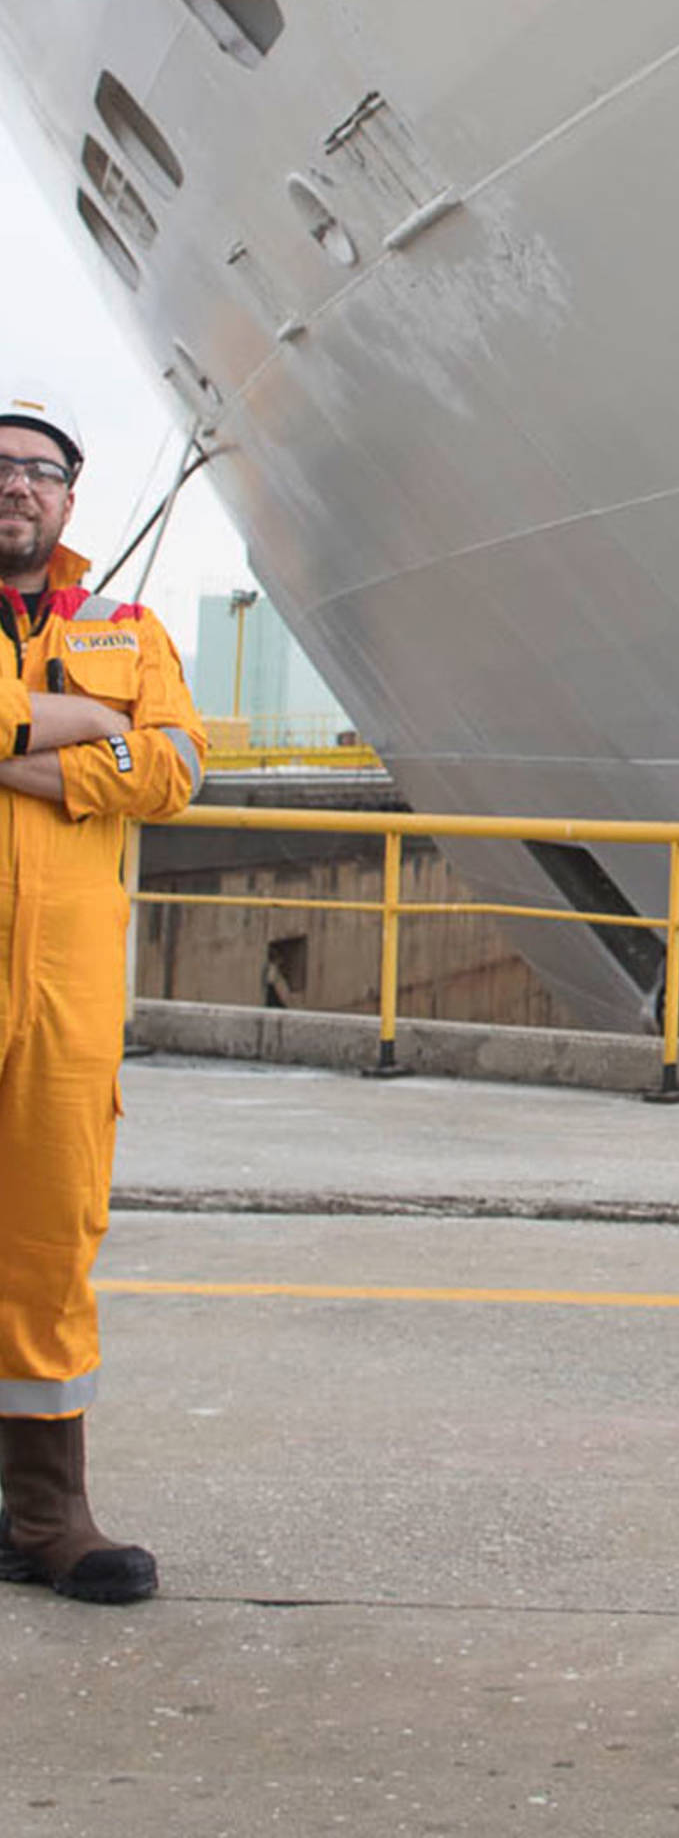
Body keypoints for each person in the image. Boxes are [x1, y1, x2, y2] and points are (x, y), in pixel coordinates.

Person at [0, 384, 205, 1602]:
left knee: (46, 1245)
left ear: (71, 498)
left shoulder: (130, 625)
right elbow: (128, 748)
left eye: (38, 468)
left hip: (65, 1002)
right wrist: (77, 726)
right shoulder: (105, 665)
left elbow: (175, 765)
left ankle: (43, 1515)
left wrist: (26, 761)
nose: (13, 482)